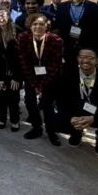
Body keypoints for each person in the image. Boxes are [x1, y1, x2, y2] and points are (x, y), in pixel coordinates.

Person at [57, 48, 98, 157]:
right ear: (77, 59)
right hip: (76, 113)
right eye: (82, 57)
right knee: (55, 122)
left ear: (97, 60)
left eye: (90, 58)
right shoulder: (67, 76)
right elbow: (61, 101)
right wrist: (71, 118)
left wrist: (95, 118)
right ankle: (76, 132)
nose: (86, 60)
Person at [17, 13, 63, 146]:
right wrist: (36, 86)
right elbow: (23, 63)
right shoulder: (23, 38)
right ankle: (37, 128)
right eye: (35, 24)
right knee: (29, 101)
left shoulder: (56, 40)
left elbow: (55, 65)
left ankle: (51, 131)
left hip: (50, 77)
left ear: (47, 26)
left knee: (47, 104)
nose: (38, 27)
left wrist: (42, 87)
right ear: (30, 26)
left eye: (41, 24)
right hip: (31, 76)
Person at [53, 0, 98, 68]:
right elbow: (59, 27)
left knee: (88, 74)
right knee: (70, 74)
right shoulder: (61, 7)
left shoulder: (96, 7)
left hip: (89, 48)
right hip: (68, 48)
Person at [0, 7, 22, 132]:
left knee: (13, 99)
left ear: (8, 16)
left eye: (2, 15)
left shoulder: (18, 32)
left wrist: (17, 77)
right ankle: (2, 119)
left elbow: (21, 57)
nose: (0, 18)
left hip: (15, 72)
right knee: (1, 98)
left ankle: (15, 120)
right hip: (1, 71)